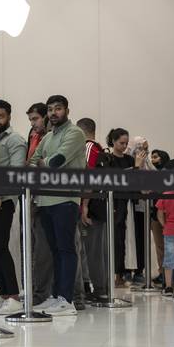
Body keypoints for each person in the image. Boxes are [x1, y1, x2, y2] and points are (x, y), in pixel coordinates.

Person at [29, 95, 86, 316]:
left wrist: (45, 162)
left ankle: (67, 299)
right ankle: (56, 296)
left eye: (58, 109)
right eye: (51, 109)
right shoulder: (49, 136)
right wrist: (43, 162)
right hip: (45, 199)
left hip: (65, 199)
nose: (53, 113)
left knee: (66, 249)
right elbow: (33, 162)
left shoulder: (75, 133)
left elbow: (55, 162)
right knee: (54, 251)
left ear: (67, 111)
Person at [0, 99, 26, 316]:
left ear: (9, 116)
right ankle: (3, 295)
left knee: (1, 246)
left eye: (1, 116)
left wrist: (0, 196)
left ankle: (13, 295)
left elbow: (16, 172)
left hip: (5, 201)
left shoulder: (15, 140)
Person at [26, 102, 54, 305]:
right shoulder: (33, 134)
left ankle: (45, 293)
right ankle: (36, 290)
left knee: (47, 249)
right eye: (30, 120)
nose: (33, 123)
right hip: (34, 195)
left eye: (35, 119)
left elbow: (46, 163)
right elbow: (32, 162)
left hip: (52, 196)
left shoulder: (53, 135)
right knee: (35, 247)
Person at [76, 117, 106, 301]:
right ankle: (96, 287)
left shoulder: (88, 147)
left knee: (89, 251)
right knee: (95, 250)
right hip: (100, 205)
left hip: (91, 206)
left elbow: (86, 177)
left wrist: (84, 206)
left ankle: (98, 288)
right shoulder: (100, 148)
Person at [103, 128, 136, 287]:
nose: (124, 146)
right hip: (114, 202)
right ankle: (112, 274)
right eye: (121, 143)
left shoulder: (130, 159)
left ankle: (121, 274)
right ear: (113, 142)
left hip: (128, 202)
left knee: (122, 239)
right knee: (114, 238)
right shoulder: (108, 159)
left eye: (126, 143)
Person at [128, 136, 154, 284]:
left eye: (146, 148)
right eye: (142, 148)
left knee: (142, 240)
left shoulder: (148, 163)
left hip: (145, 208)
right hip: (132, 206)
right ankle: (124, 272)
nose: (145, 151)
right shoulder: (129, 162)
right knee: (132, 238)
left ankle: (140, 271)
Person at [156, 191, 174, 297]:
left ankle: (168, 287)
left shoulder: (166, 194)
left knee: (169, 260)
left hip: (170, 230)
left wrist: (165, 225)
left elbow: (159, 214)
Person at [150, 149, 170, 284]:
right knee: (159, 246)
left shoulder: (167, 174)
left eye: (155, 157)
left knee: (167, 246)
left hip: (167, 214)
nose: (153, 160)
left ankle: (168, 275)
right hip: (155, 214)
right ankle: (162, 272)